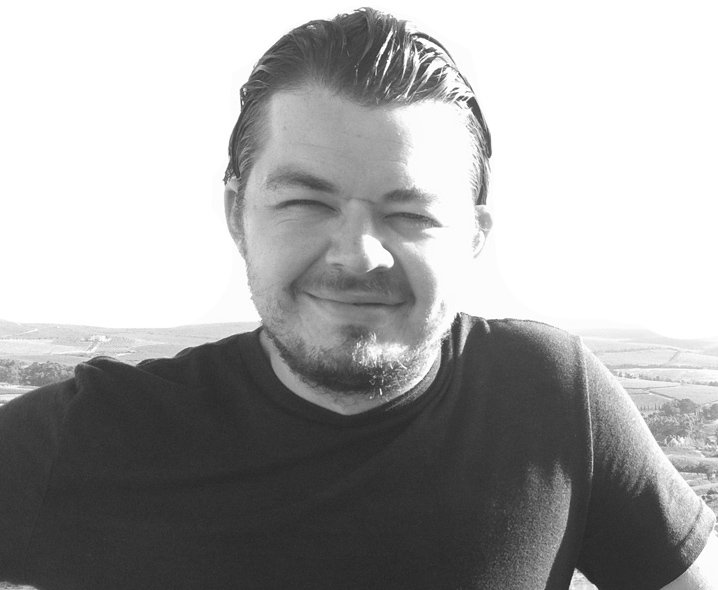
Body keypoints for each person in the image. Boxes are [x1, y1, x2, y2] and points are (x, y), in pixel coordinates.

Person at [1, 7, 716, 590]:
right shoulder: (94, 433)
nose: (359, 254)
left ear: (473, 238)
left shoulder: (548, 398)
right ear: (236, 216)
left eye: (411, 213)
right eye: (306, 201)